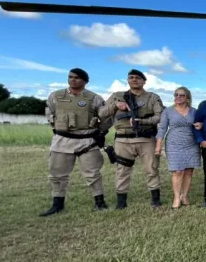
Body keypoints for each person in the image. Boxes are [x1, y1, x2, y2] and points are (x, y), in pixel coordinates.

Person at [40, 67, 110, 216]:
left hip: (87, 141)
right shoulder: (56, 96)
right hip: (62, 141)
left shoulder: (94, 98)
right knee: (57, 174)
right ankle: (57, 204)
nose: (73, 79)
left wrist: (100, 132)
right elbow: (50, 114)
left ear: (85, 81)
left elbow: (106, 118)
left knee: (92, 173)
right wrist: (59, 127)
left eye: (77, 77)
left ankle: (100, 202)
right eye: (70, 77)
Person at [99, 69, 164, 209]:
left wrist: (143, 121)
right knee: (122, 171)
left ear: (144, 81)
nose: (134, 80)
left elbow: (160, 116)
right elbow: (102, 113)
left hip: (146, 138)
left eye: (138, 78)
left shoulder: (152, 97)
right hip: (123, 139)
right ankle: (121, 202)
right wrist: (115, 105)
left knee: (152, 169)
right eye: (131, 77)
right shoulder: (117, 96)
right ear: (128, 80)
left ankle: (156, 200)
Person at [155, 86, 201, 209]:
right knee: (177, 171)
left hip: (191, 143)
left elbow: (201, 124)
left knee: (189, 171)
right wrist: (158, 145)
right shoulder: (168, 111)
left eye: (181, 95)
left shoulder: (194, 111)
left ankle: (184, 196)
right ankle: (176, 198)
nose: (178, 97)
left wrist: (200, 125)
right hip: (174, 143)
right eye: (176, 95)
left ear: (187, 98)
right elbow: (162, 128)